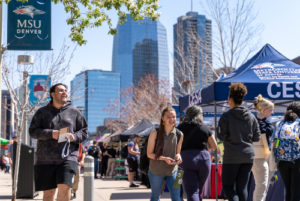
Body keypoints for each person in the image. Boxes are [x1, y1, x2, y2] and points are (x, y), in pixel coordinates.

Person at [29, 83, 88, 201]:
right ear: (52, 94)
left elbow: (84, 132)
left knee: (65, 188)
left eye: (65, 90)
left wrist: (74, 136)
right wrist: (51, 134)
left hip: (68, 157)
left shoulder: (74, 112)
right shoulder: (42, 112)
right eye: (61, 91)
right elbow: (33, 132)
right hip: (45, 159)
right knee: (49, 193)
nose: (65, 93)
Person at [217, 83, 260, 201]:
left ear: (230, 100)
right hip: (248, 156)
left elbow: (220, 136)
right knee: (242, 188)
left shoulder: (226, 116)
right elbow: (257, 137)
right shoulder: (252, 117)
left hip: (232, 156)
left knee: (227, 187)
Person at [177, 105, 218, 201]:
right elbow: (214, 146)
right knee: (199, 190)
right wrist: (206, 147)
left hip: (185, 159)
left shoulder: (180, 128)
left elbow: (175, 145)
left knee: (192, 191)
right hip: (203, 159)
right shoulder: (204, 128)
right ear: (199, 115)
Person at [147, 106, 183, 201]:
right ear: (162, 118)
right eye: (169, 117)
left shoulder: (180, 134)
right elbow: (149, 154)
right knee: (155, 197)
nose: (172, 119)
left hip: (174, 171)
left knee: (177, 198)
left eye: (174, 117)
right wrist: (164, 158)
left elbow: (178, 152)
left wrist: (179, 156)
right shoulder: (155, 132)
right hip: (156, 171)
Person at [273, 102, 300, 201]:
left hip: (282, 160)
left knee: (288, 189)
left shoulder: (279, 123)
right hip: (297, 160)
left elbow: (274, 141)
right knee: (296, 189)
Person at [252, 94, 274, 201]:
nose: (272, 112)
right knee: (261, 185)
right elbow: (263, 132)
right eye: (270, 110)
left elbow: (268, 132)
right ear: (264, 110)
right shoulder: (255, 122)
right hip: (258, 156)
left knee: (264, 185)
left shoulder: (265, 121)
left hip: (265, 154)